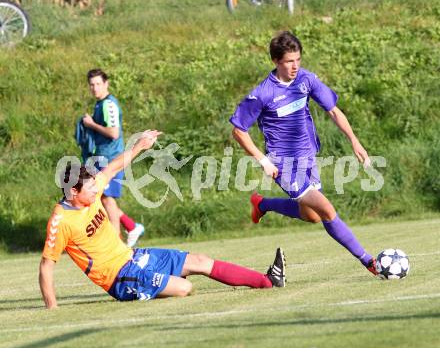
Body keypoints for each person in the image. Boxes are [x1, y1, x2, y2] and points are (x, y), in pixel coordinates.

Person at [39, 130, 286, 309]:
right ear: (73, 191)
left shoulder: (89, 192)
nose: (96, 191)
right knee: (184, 288)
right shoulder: (61, 221)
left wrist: (140, 146)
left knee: (199, 261)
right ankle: (157, 285)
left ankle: (267, 281)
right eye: (90, 188)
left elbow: (112, 168)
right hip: (120, 279)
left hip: (133, 257)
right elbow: (46, 266)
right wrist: (52, 309)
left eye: (95, 186)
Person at [229, 31, 378, 275]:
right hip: (283, 163)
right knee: (327, 210)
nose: (295, 66)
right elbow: (238, 131)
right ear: (276, 61)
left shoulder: (306, 80)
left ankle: (262, 204)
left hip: (308, 157)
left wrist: (355, 141)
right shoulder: (263, 93)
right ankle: (368, 261)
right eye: (289, 61)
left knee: (313, 216)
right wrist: (263, 160)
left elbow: (333, 111)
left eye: (298, 59)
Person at [82, 68, 144, 248]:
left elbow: (114, 133)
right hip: (102, 158)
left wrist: (91, 124)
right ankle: (132, 227)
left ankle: (117, 244)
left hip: (112, 159)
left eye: (98, 84)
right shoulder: (99, 104)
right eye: (92, 85)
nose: (95, 88)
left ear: (106, 84)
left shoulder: (109, 104)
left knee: (107, 199)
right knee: (100, 197)